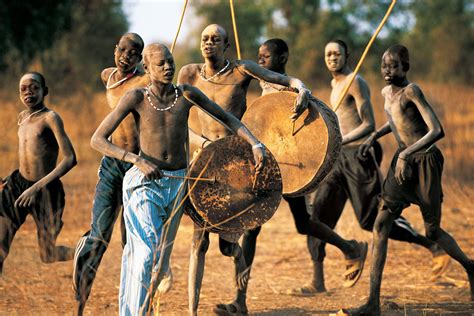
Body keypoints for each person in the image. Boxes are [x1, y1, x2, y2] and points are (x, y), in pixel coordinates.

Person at [177, 25, 366, 316]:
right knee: (253, 229)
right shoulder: (198, 75)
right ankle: (240, 300)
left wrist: (302, 89)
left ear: (227, 45)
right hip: (246, 160)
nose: (261, 60)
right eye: (205, 38)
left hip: (281, 160)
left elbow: (286, 82)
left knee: (297, 223)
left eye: (266, 56)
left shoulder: (248, 73)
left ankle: (350, 247)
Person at [91, 43, 266, 316]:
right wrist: (136, 160)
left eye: (170, 61)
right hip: (144, 183)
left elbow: (230, 120)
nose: (168, 67)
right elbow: (97, 140)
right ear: (146, 68)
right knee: (146, 254)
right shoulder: (136, 97)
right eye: (160, 63)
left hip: (177, 183)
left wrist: (255, 144)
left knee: (159, 263)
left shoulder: (185, 94)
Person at [285, 39, 448, 295]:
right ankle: (318, 280)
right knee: (318, 217)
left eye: (337, 53)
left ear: (346, 56)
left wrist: (340, 140)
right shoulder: (333, 83)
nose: (332, 58)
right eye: (328, 54)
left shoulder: (355, 82)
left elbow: (368, 124)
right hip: (336, 159)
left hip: (357, 156)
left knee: (370, 218)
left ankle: (430, 244)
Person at [341, 44, 474, 315]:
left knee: (432, 231)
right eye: (384, 66)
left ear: (406, 67)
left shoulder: (411, 91)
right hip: (403, 163)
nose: (388, 71)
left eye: (394, 66)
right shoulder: (385, 92)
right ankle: (372, 303)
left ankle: (471, 267)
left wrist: (407, 154)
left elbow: (437, 130)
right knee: (380, 225)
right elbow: (396, 121)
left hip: (425, 161)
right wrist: (373, 136)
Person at [72, 33, 149, 315]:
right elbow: (106, 72)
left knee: (130, 239)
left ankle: (131, 304)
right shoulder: (108, 76)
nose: (126, 57)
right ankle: (81, 295)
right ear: (115, 50)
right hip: (111, 162)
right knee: (100, 234)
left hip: (137, 164)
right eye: (122, 50)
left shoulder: (144, 82)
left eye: (133, 53)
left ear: (140, 59)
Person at [0, 72, 77, 275]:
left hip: (46, 190)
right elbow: (29, 155)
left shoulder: (50, 118)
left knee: (48, 255)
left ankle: (84, 251)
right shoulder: (22, 117)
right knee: (0, 245)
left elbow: (70, 159)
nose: (28, 93)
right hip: (18, 185)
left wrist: (35, 188)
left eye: (34, 87)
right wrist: (12, 177)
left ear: (45, 91)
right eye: (23, 89)